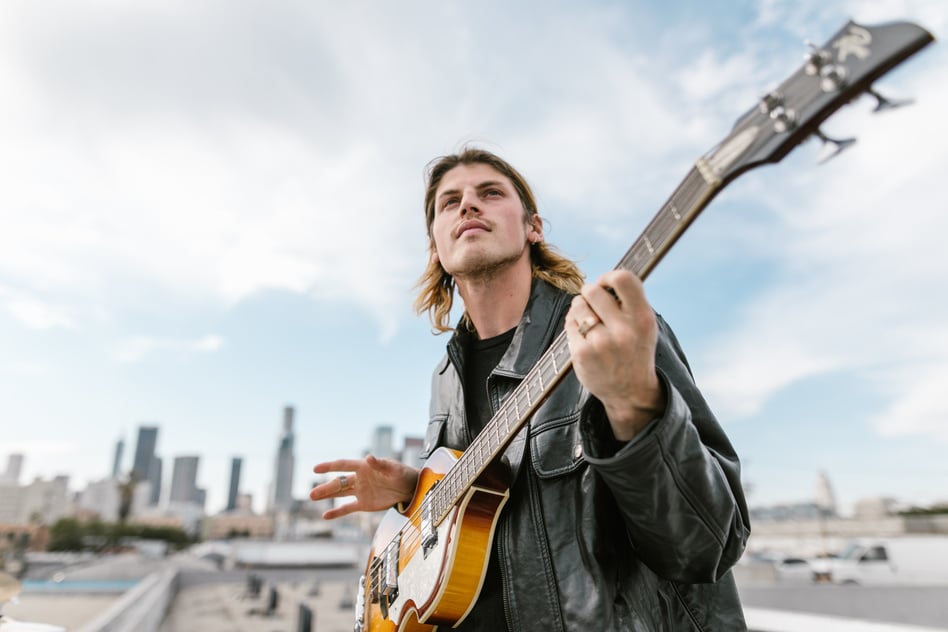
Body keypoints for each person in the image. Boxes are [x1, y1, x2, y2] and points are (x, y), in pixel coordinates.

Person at [310, 147, 750, 631]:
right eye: (449, 201)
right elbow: (489, 512)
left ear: (532, 228)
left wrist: (633, 406)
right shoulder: (445, 376)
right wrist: (416, 498)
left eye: (490, 193)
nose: (468, 206)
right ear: (435, 246)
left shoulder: (609, 334)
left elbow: (706, 545)